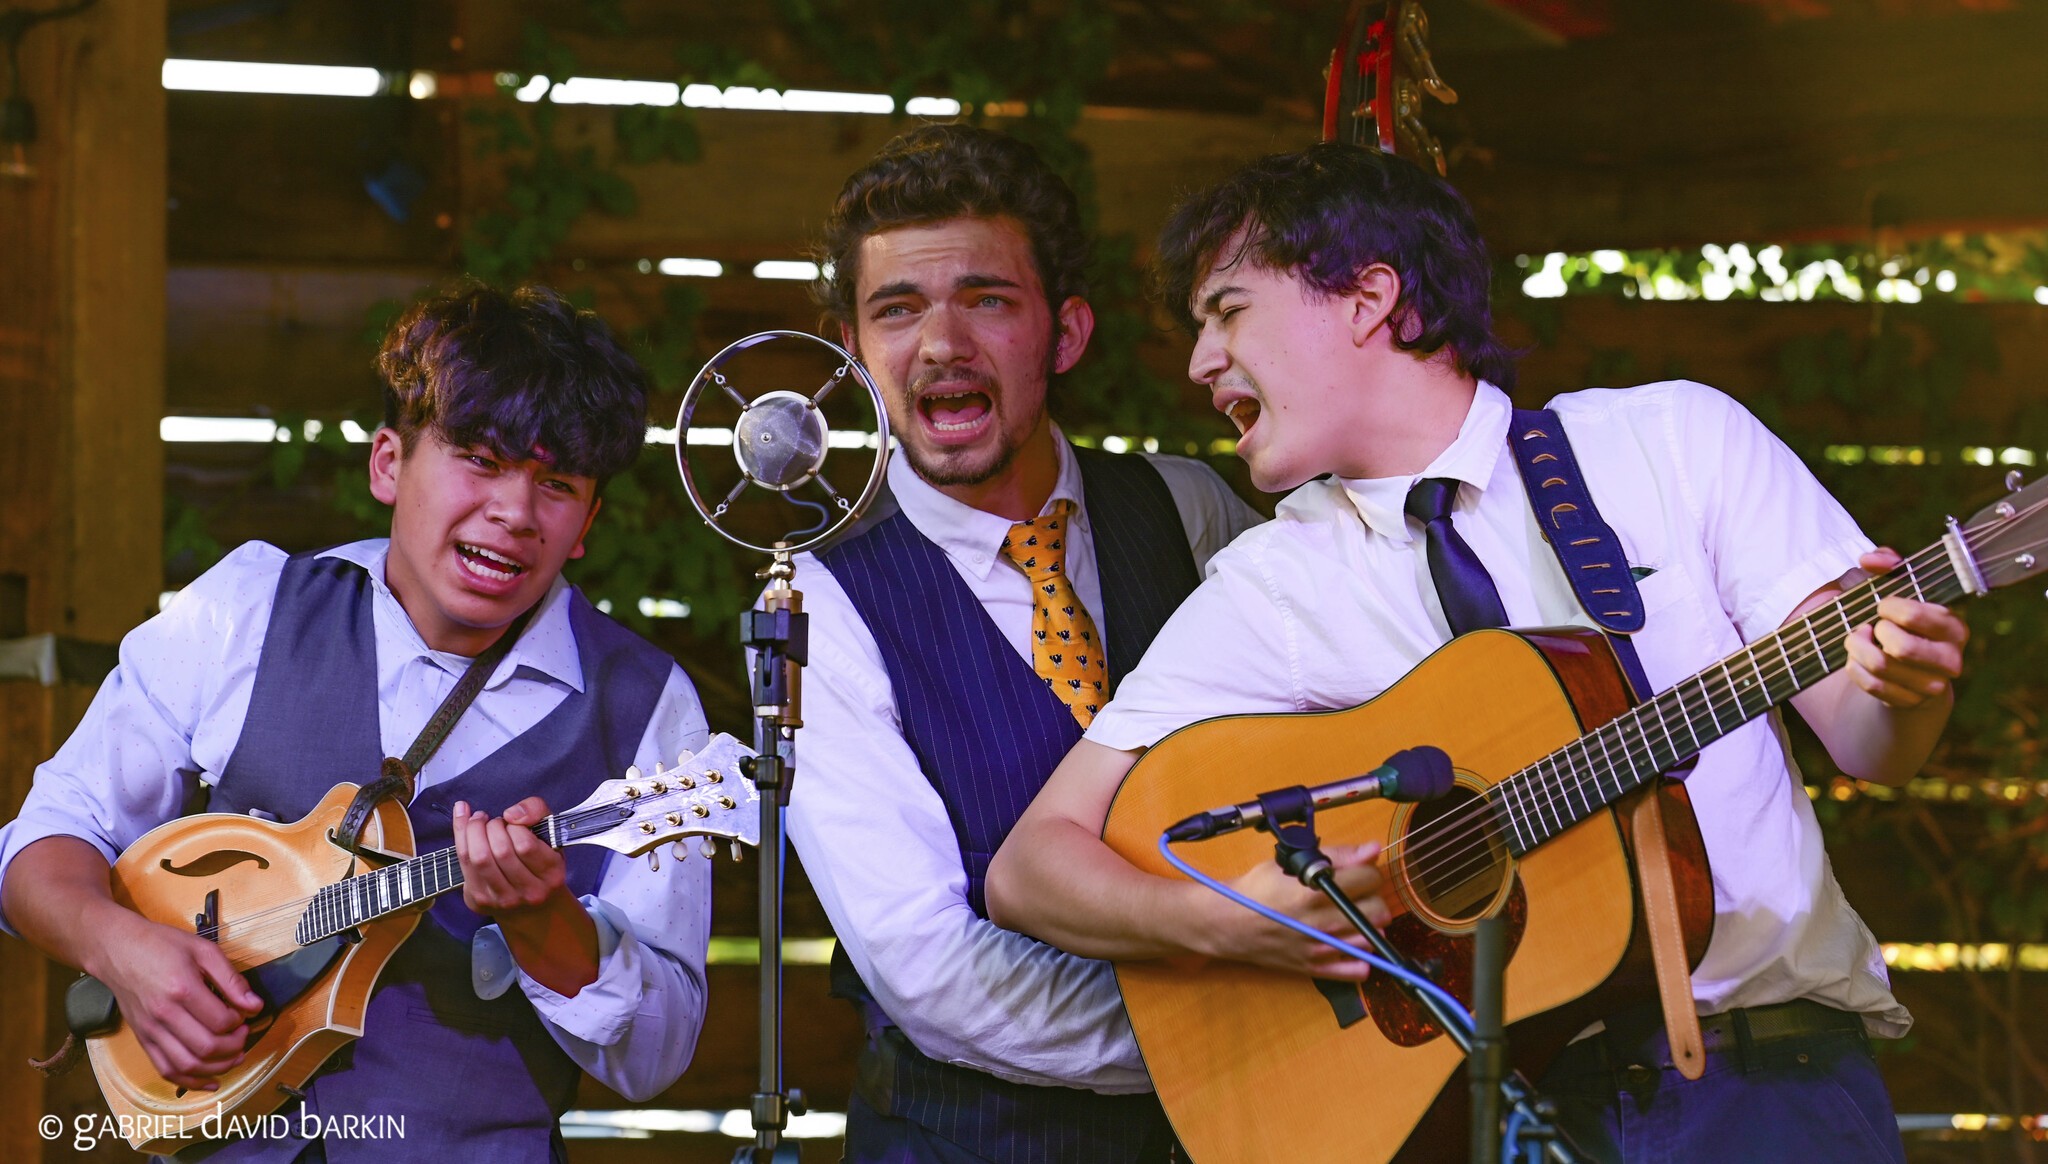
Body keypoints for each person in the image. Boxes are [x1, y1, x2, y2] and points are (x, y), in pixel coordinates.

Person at [986, 142, 1968, 1164]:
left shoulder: (1670, 442)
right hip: (1493, 1118)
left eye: (1227, 311)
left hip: (1765, 1093)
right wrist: (1220, 922)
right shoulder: (1272, 586)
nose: (1198, 363)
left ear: (1367, 299)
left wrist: (1902, 687)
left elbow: (1869, 743)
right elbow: (1030, 867)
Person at [0, 284, 715, 1163]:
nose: (515, 513)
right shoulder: (250, 608)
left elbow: (659, 1058)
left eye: (556, 484)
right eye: (481, 460)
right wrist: (124, 951)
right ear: (388, 463)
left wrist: (543, 925)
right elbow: (44, 842)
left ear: (586, 526)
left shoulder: (646, 707)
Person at [781, 123, 1263, 1163]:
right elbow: (928, 970)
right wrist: (1226, 1033)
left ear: (1065, 332)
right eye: (895, 310)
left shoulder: (1190, 512)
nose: (941, 345)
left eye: (986, 300)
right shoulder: (821, 605)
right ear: (853, 352)